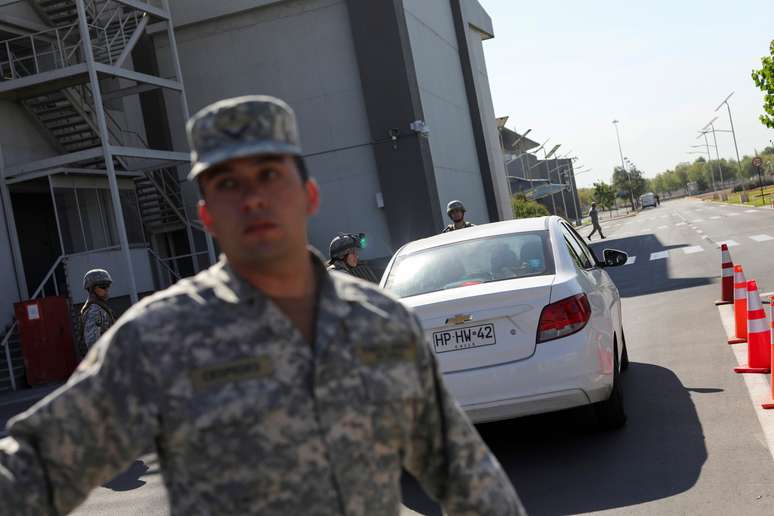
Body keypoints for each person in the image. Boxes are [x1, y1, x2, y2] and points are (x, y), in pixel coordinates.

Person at [0, 95, 524, 515]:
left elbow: (468, 478)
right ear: (206, 215)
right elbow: (35, 469)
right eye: (229, 184)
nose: (252, 199)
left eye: (269, 176)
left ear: (308, 195)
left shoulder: (381, 323)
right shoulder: (160, 338)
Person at [79, 269, 116, 356]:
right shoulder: (94, 311)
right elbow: (93, 344)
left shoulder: (100, 308)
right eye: (103, 286)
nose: (107, 289)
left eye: (108, 286)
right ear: (92, 289)